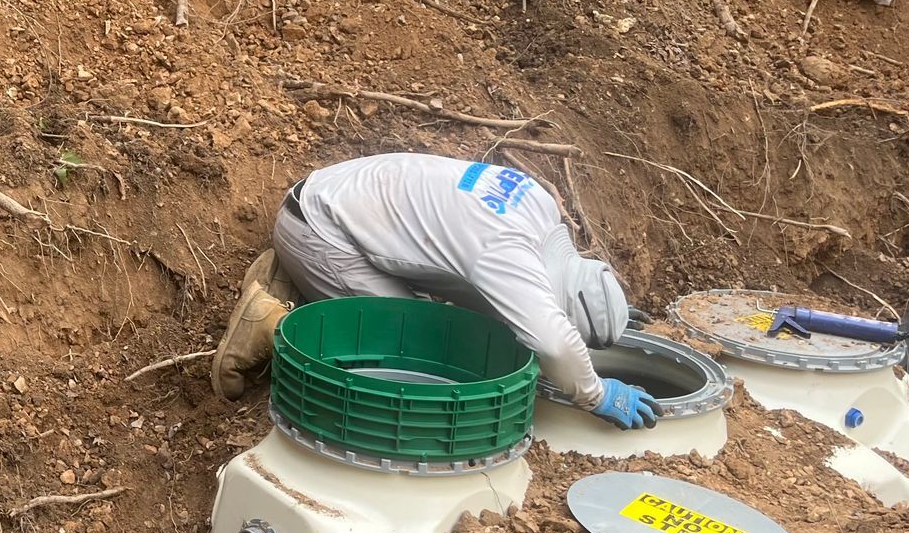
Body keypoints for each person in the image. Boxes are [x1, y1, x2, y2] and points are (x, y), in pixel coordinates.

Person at [211, 153, 660, 429]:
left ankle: (299, 274)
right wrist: (597, 394)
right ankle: (270, 321)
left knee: (443, 317)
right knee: (409, 346)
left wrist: (607, 308)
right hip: (321, 227)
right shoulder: (507, 256)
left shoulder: (539, 207)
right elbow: (552, 343)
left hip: (335, 192)